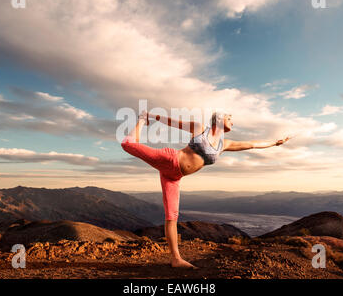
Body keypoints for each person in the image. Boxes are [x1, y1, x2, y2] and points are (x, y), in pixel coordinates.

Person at [120, 110, 291, 268]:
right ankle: (141, 119)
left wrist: (275, 143)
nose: (233, 121)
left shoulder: (224, 144)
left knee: (172, 216)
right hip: (170, 159)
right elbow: (171, 122)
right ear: (218, 119)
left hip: (174, 177)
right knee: (127, 144)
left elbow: (252, 144)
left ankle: (176, 259)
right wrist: (151, 116)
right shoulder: (199, 128)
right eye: (230, 118)